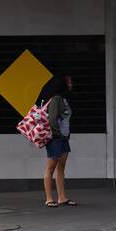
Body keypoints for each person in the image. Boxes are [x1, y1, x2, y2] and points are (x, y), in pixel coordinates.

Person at [40, 73, 75, 208]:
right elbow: (52, 119)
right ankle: (49, 198)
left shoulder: (64, 99)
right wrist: (57, 134)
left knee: (61, 167)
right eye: (69, 82)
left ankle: (62, 197)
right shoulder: (56, 99)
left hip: (64, 138)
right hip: (56, 139)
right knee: (50, 168)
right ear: (63, 85)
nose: (71, 85)